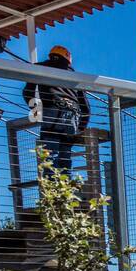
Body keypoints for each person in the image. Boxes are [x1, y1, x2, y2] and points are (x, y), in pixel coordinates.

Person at [22, 45, 89, 177]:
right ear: (68, 60)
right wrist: (81, 128)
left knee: (49, 154)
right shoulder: (75, 76)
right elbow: (85, 108)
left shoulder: (39, 67)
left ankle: (51, 189)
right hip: (72, 116)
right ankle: (65, 189)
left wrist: (37, 110)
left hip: (51, 110)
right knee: (65, 156)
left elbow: (27, 92)